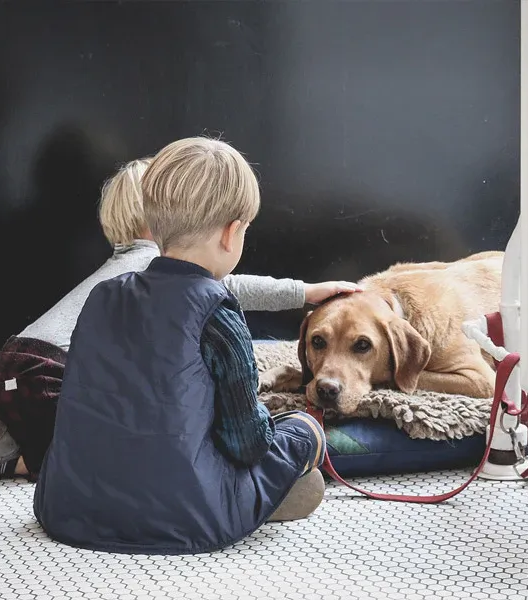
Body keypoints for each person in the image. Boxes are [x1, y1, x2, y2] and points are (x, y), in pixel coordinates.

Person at [33, 137, 332, 554]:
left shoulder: (102, 295)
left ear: (153, 227)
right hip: (185, 515)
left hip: (68, 505)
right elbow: (247, 443)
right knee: (302, 430)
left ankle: (244, 493)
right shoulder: (216, 311)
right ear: (232, 234)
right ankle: (261, 493)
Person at [0, 157, 359, 480]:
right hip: (44, 369)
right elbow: (230, 286)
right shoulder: (153, 266)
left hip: (17, 365)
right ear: (159, 220)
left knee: (51, 424)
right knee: (80, 457)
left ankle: (1, 440)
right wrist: (304, 292)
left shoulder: (124, 267)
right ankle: (11, 462)